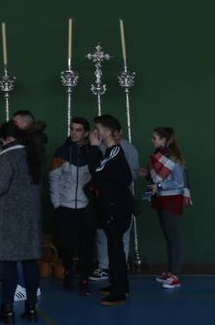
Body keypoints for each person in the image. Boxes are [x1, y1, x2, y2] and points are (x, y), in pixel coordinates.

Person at [0, 122, 43, 323]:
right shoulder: (32, 155)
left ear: (6, 139)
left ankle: (7, 309)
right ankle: (31, 308)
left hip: (8, 219)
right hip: (29, 218)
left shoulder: (6, 157)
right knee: (30, 264)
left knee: (8, 266)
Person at [88, 115, 133, 307]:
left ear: (106, 132)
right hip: (113, 206)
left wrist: (92, 147)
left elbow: (97, 171)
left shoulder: (114, 152)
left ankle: (119, 292)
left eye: (97, 129)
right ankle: (119, 284)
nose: (95, 132)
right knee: (114, 248)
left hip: (117, 208)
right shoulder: (109, 152)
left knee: (115, 250)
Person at [48, 117, 96, 295]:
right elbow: (54, 180)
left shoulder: (93, 152)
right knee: (66, 244)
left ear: (86, 133)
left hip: (86, 207)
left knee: (87, 246)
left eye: (78, 130)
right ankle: (68, 272)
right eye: (72, 129)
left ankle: (84, 279)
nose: (74, 133)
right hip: (65, 207)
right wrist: (56, 205)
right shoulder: (61, 152)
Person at [140, 126, 191, 291]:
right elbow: (157, 175)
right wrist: (146, 174)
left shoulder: (174, 158)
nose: (152, 140)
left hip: (171, 200)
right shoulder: (158, 156)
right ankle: (170, 272)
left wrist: (159, 185)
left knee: (173, 238)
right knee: (168, 237)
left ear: (163, 140)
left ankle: (175, 276)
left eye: (154, 138)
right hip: (161, 199)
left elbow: (179, 182)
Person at [92, 124, 140, 282]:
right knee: (104, 237)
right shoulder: (104, 149)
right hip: (106, 201)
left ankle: (119, 273)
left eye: (98, 129)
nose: (95, 133)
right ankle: (107, 268)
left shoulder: (123, 150)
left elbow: (100, 172)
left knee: (119, 241)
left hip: (118, 202)